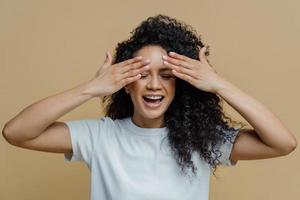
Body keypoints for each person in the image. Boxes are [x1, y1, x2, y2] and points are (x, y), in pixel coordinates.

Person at [2, 14, 297, 200]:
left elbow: (283, 143)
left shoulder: (202, 138)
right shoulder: (100, 137)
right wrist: (91, 88)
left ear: (179, 84)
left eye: (166, 76)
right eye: (142, 75)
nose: (154, 84)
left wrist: (219, 84)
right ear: (126, 83)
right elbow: (17, 133)